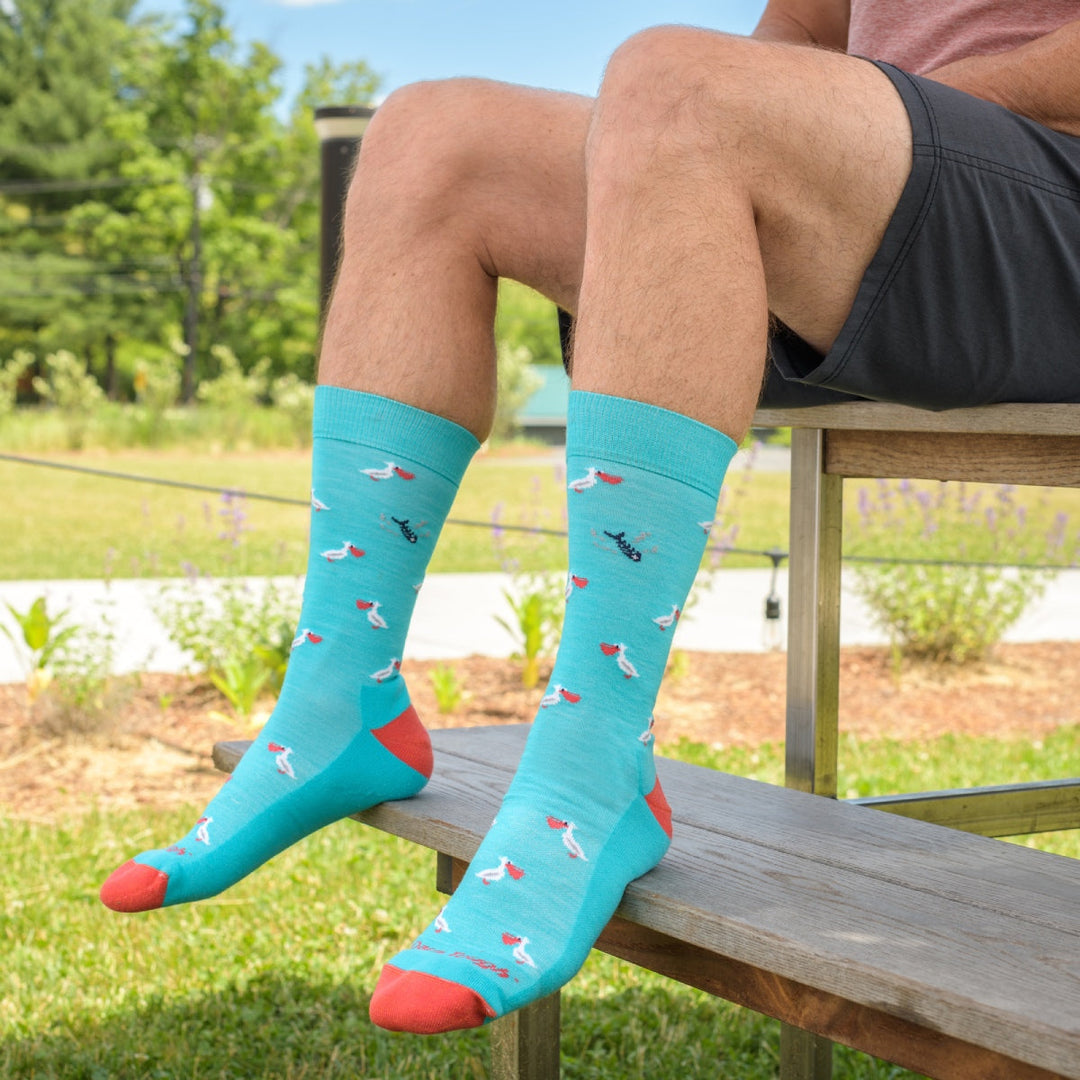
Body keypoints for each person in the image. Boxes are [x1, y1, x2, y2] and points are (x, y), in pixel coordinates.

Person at [100, 0, 1080, 1036]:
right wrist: (801, 122)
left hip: (1050, 189)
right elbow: (799, 25)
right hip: (886, 194)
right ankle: (340, 697)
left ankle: (591, 769)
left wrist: (845, 118)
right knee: (429, 136)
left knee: (677, 86)